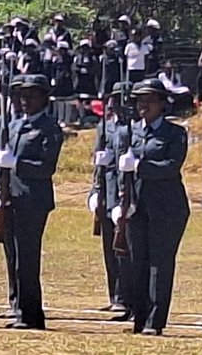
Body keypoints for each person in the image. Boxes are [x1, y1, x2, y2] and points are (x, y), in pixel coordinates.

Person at [0, 73, 64, 331]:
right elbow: (0, 163)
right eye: (22, 95)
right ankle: (21, 308)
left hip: (33, 200)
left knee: (27, 258)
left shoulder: (49, 128)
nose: (25, 100)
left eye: (32, 95)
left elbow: (46, 167)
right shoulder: (12, 126)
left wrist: (17, 164)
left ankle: (31, 315)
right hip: (11, 197)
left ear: (44, 99)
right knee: (13, 257)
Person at [120, 77, 190, 337]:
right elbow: (122, 173)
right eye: (139, 100)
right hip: (137, 206)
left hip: (167, 208)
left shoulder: (175, 133)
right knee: (137, 262)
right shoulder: (130, 132)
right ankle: (139, 318)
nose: (143, 105)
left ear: (162, 103)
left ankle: (155, 320)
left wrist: (139, 166)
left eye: (149, 100)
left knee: (159, 264)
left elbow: (171, 167)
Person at [89, 82, 131, 318]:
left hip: (126, 194)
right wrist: (95, 191)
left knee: (123, 247)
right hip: (108, 191)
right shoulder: (104, 127)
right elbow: (98, 165)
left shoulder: (133, 128)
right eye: (114, 98)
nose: (116, 103)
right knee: (109, 247)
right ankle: (114, 295)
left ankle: (126, 295)